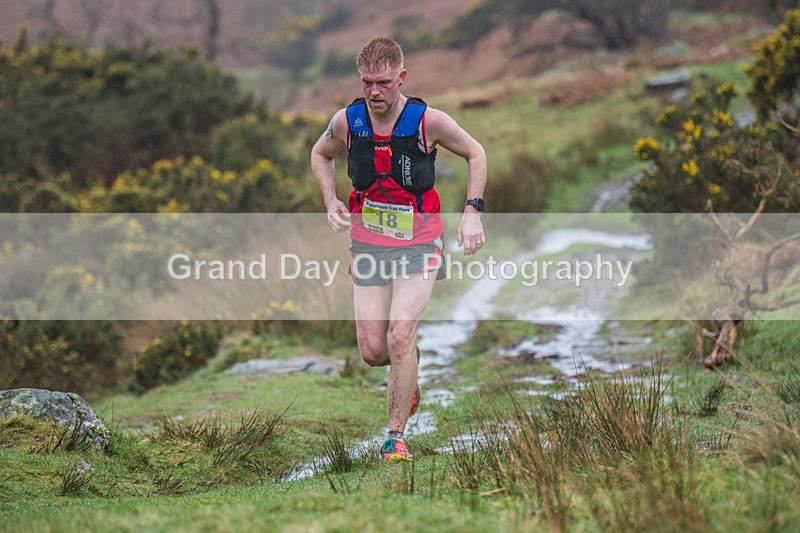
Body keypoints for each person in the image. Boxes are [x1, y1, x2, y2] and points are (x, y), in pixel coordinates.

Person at [310, 36, 487, 462]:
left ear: (401, 78)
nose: (375, 92)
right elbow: (320, 154)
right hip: (369, 242)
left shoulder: (429, 122)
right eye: (368, 82)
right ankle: (408, 372)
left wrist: (472, 211)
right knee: (374, 351)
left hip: (420, 240)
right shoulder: (346, 122)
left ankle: (394, 437)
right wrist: (331, 200)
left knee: (401, 333)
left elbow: (476, 153)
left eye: (384, 83)